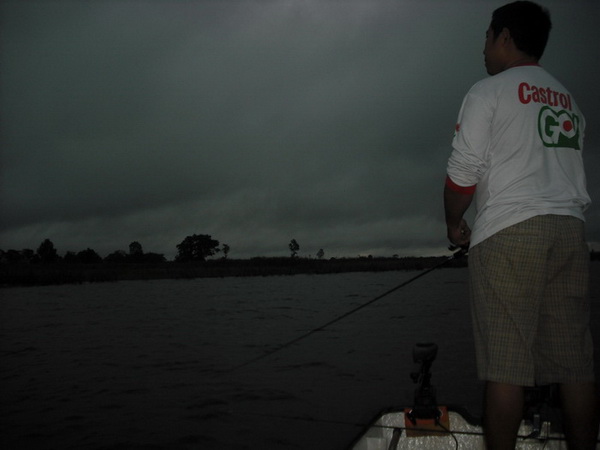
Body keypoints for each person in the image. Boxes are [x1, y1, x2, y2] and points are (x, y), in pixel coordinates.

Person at [443, 1, 599, 449]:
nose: (483, 48)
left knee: (506, 370)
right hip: (570, 232)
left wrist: (454, 225)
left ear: (505, 37)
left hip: (509, 233)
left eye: (487, 37)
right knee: (575, 366)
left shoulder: (487, 91)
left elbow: (462, 175)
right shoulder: (568, 99)